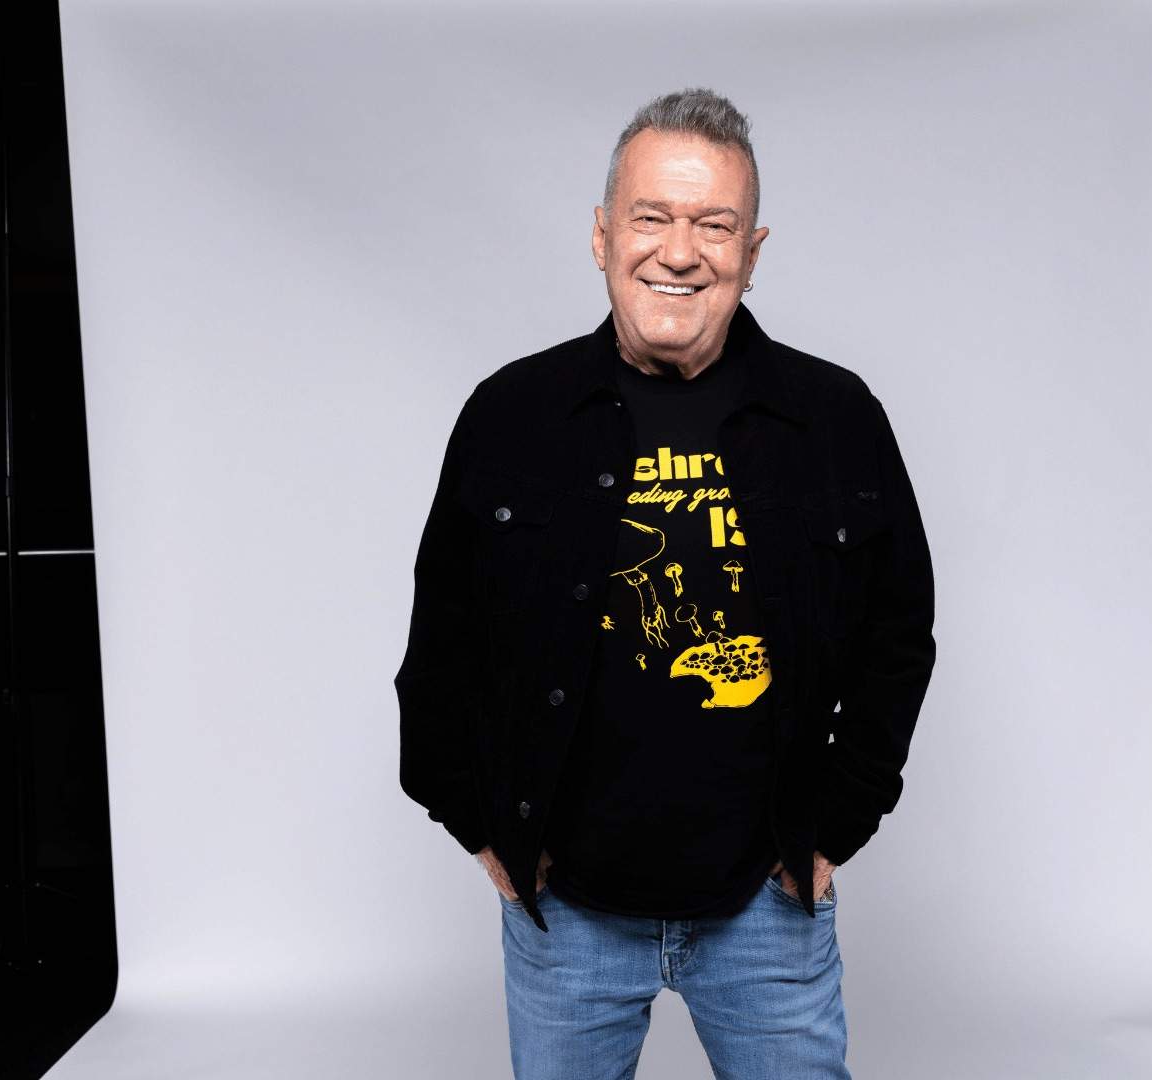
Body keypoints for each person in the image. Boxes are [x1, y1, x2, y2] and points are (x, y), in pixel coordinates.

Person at [396, 86, 936, 1079]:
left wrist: (840, 821)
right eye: (651, 217)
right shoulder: (511, 416)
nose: (679, 252)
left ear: (753, 250)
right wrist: (479, 823)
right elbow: (441, 649)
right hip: (567, 918)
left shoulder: (835, 417)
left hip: (764, 909)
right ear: (603, 236)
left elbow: (899, 637)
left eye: (713, 224)